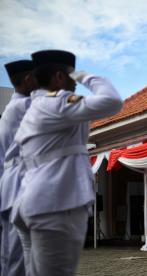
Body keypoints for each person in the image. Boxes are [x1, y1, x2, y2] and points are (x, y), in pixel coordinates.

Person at [12, 50, 123, 276]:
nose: (75, 86)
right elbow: (112, 101)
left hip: (31, 203)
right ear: (60, 77)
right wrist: (83, 74)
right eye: (71, 78)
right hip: (56, 204)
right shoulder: (58, 102)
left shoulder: (35, 108)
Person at [0, 60, 36, 276]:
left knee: (11, 255)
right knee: (19, 258)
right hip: (19, 191)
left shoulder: (11, 110)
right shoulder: (24, 107)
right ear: (27, 80)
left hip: (9, 190)